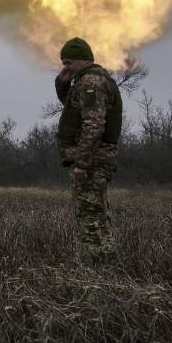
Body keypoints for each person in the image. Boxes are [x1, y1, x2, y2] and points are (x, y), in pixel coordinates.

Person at [55, 37, 123, 264]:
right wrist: (62, 84)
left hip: (92, 162)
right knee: (96, 215)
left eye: (68, 63)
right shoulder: (90, 80)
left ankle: (101, 272)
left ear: (82, 60)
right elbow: (74, 108)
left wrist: (82, 164)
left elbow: (93, 126)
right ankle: (107, 267)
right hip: (95, 160)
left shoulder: (91, 83)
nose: (65, 68)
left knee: (90, 218)